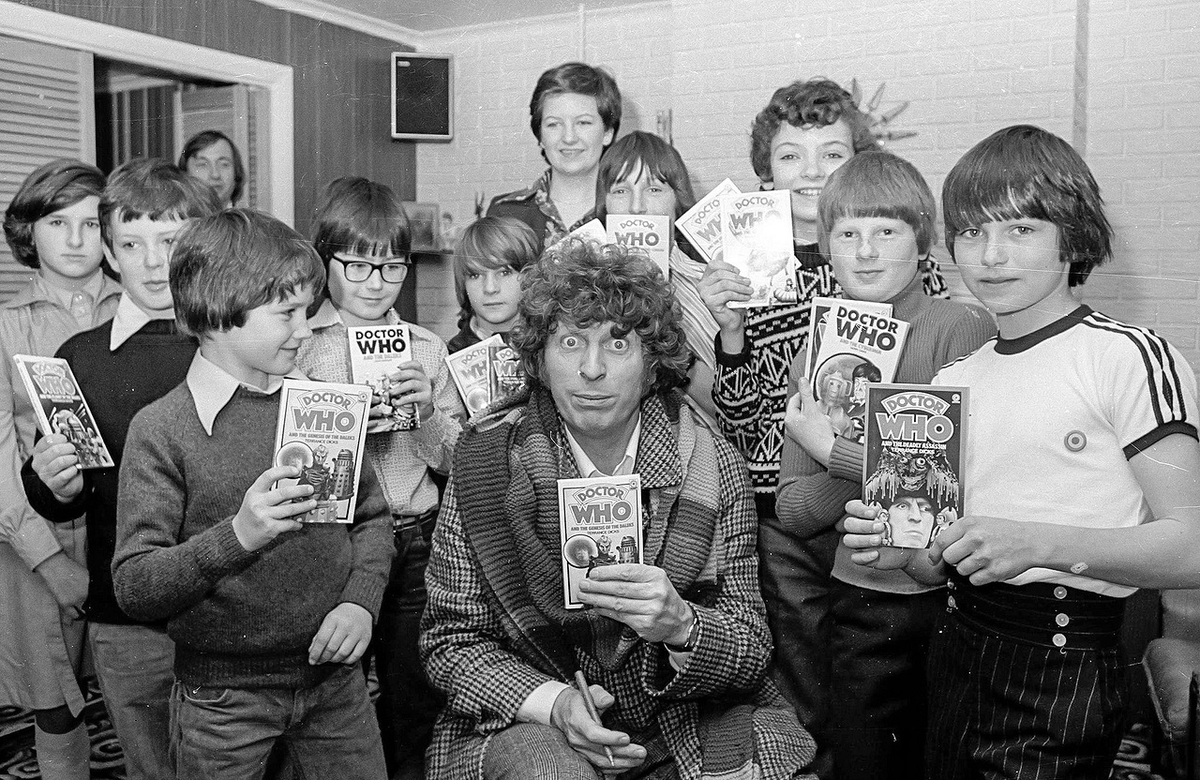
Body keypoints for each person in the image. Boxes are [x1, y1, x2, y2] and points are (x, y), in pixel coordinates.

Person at [842, 125, 1200, 779]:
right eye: (973, 232)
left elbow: (1192, 547)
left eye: (1021, 229)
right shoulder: (954, 381)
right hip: (952, 653)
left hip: (1062, 666)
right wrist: (898, 550)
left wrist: (1036, 544)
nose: (990, 255)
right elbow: (933, 565)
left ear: (1072, 236)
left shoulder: (1129, 356)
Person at [419, 240, 817, 780]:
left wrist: (683, 625)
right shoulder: (486, 458)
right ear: (538, 358)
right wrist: (555, 703)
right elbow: (451, 641)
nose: (591, 369)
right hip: (530, 717)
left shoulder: (712, 460)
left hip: (681, 714)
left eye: (618, 344)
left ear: (653, 363)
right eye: (569, 342)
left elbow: (749, 646)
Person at [696, 80, 947, 775]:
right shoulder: (744, 273)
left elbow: (931, 401)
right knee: (802, 681)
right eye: (790, 157)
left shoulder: (889, 262)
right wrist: (733, 333)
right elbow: (742, 422)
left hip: (876, 503)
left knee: (882, 687)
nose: (811, 171)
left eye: (830, 152)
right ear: (764, 174)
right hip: (779, 512)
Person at [111, 209, 393, 779]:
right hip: (222, 701)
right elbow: (136, 585)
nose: (305, 329)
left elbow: (371, 519)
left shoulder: (325, 405)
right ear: (218, 316)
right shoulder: (164, 429)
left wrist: (360, 601)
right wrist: (239, 536)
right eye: (286, 313)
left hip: (336, 686)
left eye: (306, 311)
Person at [773, 150, 994, 780]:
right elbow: (792, 508)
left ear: (923, 243)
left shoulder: (961, 327)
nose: (866, 251)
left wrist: (832, 449)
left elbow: (947, 480)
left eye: (886, 231)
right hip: (861, 598)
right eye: (848, 233)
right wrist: (874, 461)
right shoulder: (819, 350)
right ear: (827, 250)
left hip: (953, 594)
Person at [22, 158, 220, 780]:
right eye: (132, 244)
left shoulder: (236, 344)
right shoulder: (79, 357)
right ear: (109, 253)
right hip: (124, 615)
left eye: (171, 242)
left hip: (227, 608)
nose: (153, 262)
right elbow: (65, 498)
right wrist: (51, 482)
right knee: (150, 765)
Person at [297, 176, 465, 779]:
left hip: (418, 537)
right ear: (325, 261)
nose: (376, 284)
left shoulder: (426, 348)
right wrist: (338, 423)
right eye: (359, 267)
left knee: (413, 696)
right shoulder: (300, 347)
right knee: (329, 701)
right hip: (332, 541)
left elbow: (452, 463)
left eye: (393, 268)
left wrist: (423, 416)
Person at [0, 158, 122, 780]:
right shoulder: (7, 325)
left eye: (91, 222)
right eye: (57, 222)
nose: (77, 240)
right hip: (33, 541)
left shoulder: (141, 309)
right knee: (56, 708)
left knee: (144, 690)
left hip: (132, 530)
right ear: (29, 231)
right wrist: (49, 562)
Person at [595, 130, 721, 424]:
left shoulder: (708, 285)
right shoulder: (584, 290)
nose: (637, 206)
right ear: (605, 206)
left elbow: (730, 411)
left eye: (653, 190)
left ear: (678, 202)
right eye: (621, 190)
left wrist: (673, 352)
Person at [487, 62, 620, 252]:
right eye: (553, 124)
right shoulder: (506, 214)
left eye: (583, 122)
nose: (569, 137)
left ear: (607, 132)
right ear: (540, 136)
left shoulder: (629, 213)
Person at [447, 215, 538, 353]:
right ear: (463, 284)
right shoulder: (447, 357)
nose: (490, 288)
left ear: (529, 275)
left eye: (504, 273)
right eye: (475, 275)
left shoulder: (553, 350)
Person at [179, 129, 245, 208]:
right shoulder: (168, 220)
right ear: (184, 175)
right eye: (202, 165)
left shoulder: (250, 220)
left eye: (224, 164)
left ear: (237, 174)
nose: (215, 174)